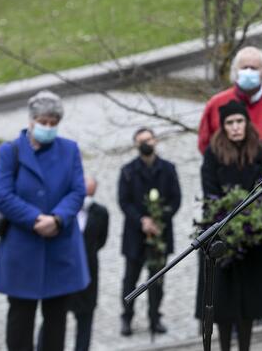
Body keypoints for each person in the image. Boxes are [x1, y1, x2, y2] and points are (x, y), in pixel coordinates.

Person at [197, 46, 262, 339]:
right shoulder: (218, 103)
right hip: (225, 206)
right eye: (244, 67)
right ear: (235, 71)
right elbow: (205, 144)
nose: (250, 72)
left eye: (255, 67)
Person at [0, 90, 89, 351]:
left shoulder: (69, 150)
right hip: (23, 248)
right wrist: (35, 219)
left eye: (53, 123)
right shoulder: (11, 151)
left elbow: (77, 191)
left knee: (56, 325)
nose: (48, 127)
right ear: (31, 120)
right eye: (43, 122)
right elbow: (1, 194)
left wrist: (57, 219)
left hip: (60, 247)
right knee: (20, 323)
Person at [197, 100, 262, 351]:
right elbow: (210, 194)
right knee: (222, 306)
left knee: (248, 307)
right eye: (230, 123)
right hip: (222, 240)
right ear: (223, 127)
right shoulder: (213, 154)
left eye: (239, 121)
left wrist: (258, 221)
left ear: (247, 123)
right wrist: (226, 226)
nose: (235, 127)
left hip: (255, 241)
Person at [118, 127, 181, 336]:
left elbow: (176, 199)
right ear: (136, 144)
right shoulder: (127, 171)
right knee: (130, 279)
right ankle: (127, 316)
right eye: (141, 140)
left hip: (160, 234)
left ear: (155, 141)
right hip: (135, 235)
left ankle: (155, 317)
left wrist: (159, 219)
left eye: (149, 139)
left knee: (157, 279)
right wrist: (142, 221)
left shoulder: (168, 169)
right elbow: (124, 202)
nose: (146, 143)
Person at [68, 176, 109, 351]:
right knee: (54, 317)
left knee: (85, 319)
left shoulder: (100, 212)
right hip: (65, 272)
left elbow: (101, 240)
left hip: (88, 272)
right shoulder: (66, 209)